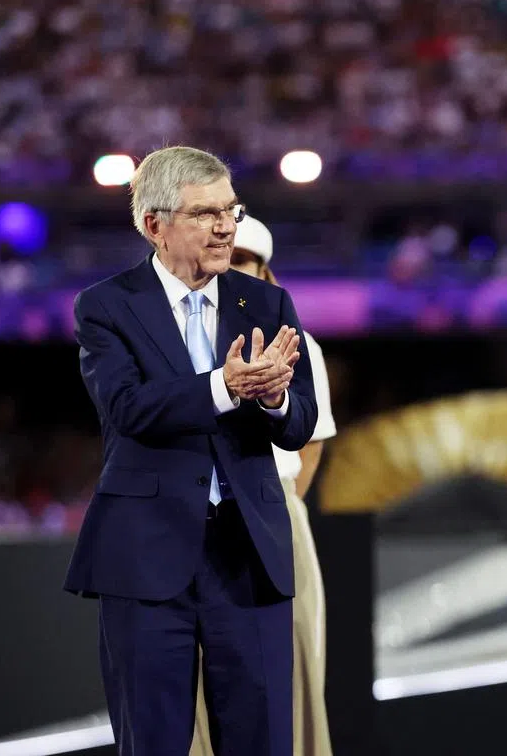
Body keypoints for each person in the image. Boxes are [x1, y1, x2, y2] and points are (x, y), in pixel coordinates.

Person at [65, 145, 317, 756]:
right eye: (205, 214)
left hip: (248, 555)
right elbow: (127, 408)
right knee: (153, 741)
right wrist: (225, 387)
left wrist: (276, 399)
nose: (226, 226)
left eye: (231, 209)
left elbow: (300, 422)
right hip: (147, 556)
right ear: (155, 225)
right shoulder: (107, 306)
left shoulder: (264, 304)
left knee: (261, 741)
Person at [190, 215, 338, 756]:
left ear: (265, 273)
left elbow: (313, 440)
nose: (234, 271)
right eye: (224, 260)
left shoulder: (298, 344)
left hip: (274, 513)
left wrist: (278, 511)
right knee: (195, 674)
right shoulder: (181, 337)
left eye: (246, 262)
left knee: (289, 661)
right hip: (197, 519)